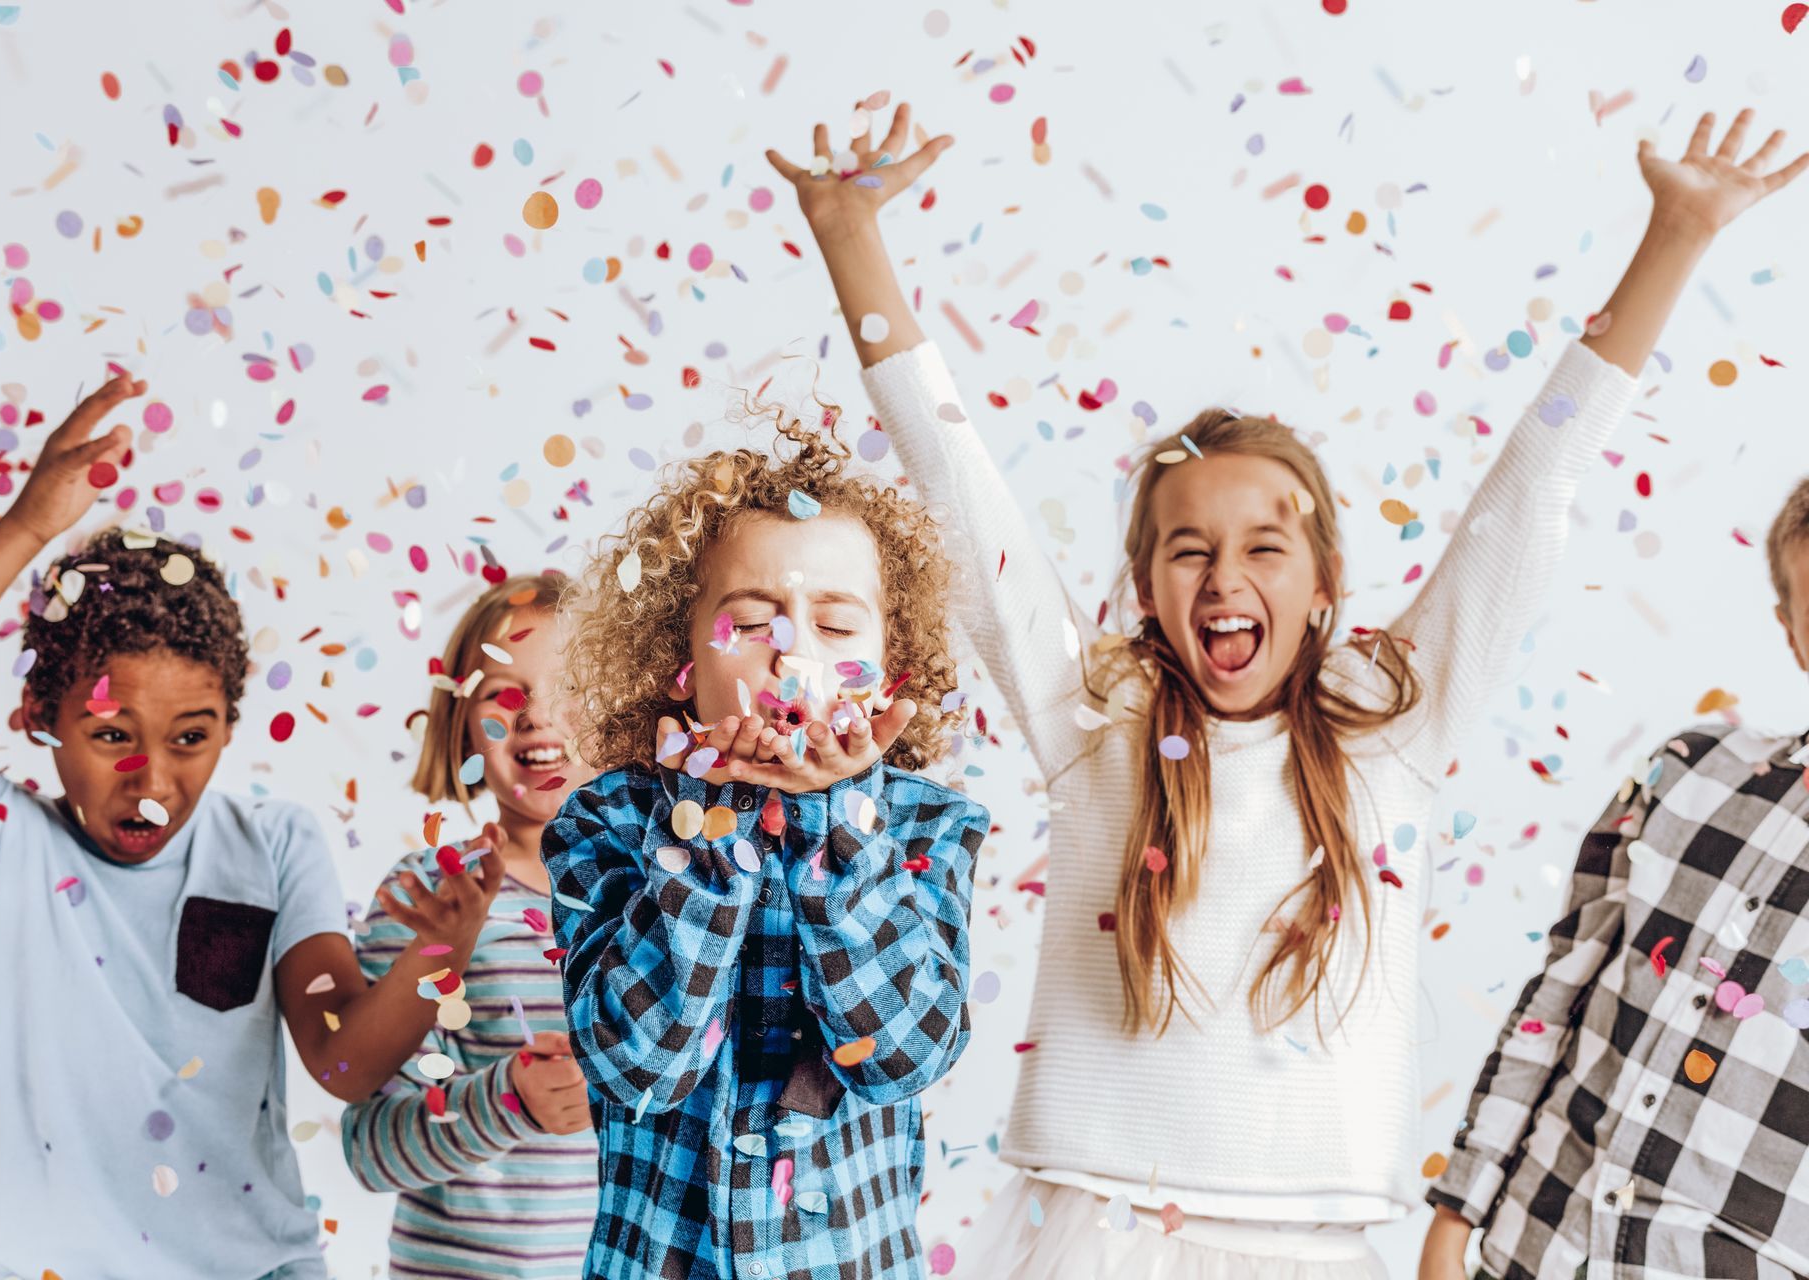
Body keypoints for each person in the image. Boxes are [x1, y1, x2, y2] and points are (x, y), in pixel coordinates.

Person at [768, 100, 1808, 1278]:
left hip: (1311, 1244)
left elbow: (1534, 482)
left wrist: (1677, 233)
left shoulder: (1391, 726)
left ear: (1323, 588)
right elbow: (957, 488)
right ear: (1146, 586)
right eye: (1188, 547)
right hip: (1097, 1232)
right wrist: (848, 232)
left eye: (1266, 544)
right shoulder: (1093, 716)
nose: (1225, 575)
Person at [0, 376, 497, 1280]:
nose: (152, 780)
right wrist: (25, 527)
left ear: (226, 726)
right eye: (108, 736)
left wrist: (436, 957)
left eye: (190, 738)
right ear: (37, 714)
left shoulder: (274, 845)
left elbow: (338, 1067)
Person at [544, 407, 991, 1278]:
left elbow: (904, 1055)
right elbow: (637, 1068)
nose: (792, 657)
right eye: (751, 624)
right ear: (683, 657)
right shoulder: (602, 824)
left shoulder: (924, 827)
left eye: (835, 625)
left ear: (891, 659)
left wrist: (844, 827)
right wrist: (708, 832)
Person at [1420, 471, 1809, 1280]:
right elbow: (1554, 998)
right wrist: (1453, 1223)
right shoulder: (1687, 772)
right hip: (1529, 1252)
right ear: (1792, 630)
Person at [343, 573, 600, 1279]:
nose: (536, 716)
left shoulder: (675, 897)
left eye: (568, 684)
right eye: (502, 693)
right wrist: (509, 1099)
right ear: (462, 725)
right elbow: (369, 1148)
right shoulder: (429, 896)